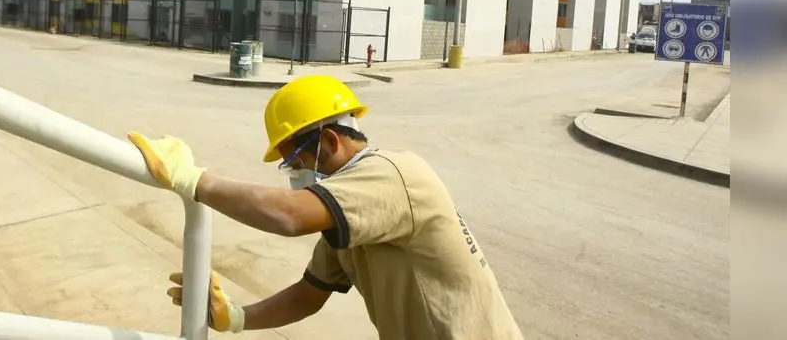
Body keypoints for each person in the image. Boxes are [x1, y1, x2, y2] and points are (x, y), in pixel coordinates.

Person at [127, 74, 524, 339]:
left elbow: (289, 215)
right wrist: (236, 317)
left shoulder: (393, 174)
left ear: (331, 141)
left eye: (296, 160)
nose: (295, 173)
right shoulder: (353, 211)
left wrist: (193, 179)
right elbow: (309, 294)